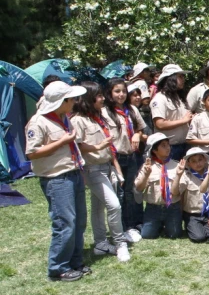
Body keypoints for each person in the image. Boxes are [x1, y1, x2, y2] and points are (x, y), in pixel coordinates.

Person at [26, 82, 89, 281]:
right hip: (57, 178)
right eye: (71, 99)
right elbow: (32, 153)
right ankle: (58, 267)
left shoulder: (63, 118)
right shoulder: (39, 122)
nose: (75, 102)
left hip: (73, 173)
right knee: (65, 223)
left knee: (79, 221)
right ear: (62, 101)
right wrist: (62, 141)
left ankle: (75, 261)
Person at [70, 81, 128, 262]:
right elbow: (77, 146)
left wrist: (116, 167)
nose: (103, 98)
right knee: (114, 205)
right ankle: (120, 244)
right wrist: (97, 146)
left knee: (98, 207)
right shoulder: (78, 120)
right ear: (89, 98)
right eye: (99, 96)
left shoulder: (97, 117)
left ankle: (101, 244)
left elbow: (109, 148)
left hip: (106, 166)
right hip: (93, 169)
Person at [102, 77, 146, 242]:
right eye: (117, 91)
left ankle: (133, 224)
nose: (121, 95)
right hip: (115, 157)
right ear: (110, 93)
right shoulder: (105, 112)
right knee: (118, 192)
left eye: (123, 91)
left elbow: (141, 130)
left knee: (132, 191)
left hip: (132, 155)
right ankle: (121, 227)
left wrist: (136, 133)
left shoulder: (132, 109)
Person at [135, 133, 184, 239]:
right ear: (154, 150)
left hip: (172, 207)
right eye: (163, 145)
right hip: (153, 207)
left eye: (168, 144)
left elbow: (175, 193)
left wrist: (179, 175)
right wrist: (146, 175)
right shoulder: (147, 166)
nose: (168, 148)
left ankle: (166, 224)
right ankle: (155, 225)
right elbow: (139, 188)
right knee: (147, 235)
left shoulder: (177, 166)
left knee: (174, 234)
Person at [150, 64, 192, 161]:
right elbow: (159, 124)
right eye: (180, 76)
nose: (183, 79)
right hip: (170, 148)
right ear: (171, 79)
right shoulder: (160, 99)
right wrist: (183, 121)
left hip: (184, 145)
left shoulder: (179, 98)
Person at [178, 147, 209, 243]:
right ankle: (193, 227)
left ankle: (204, 229)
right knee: (198, 237)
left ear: (205, 160)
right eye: (193, 161)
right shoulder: (186, 176)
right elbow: (179, 195)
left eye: (200, 160)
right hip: (192, 214)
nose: (198, 163)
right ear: (188, 163)